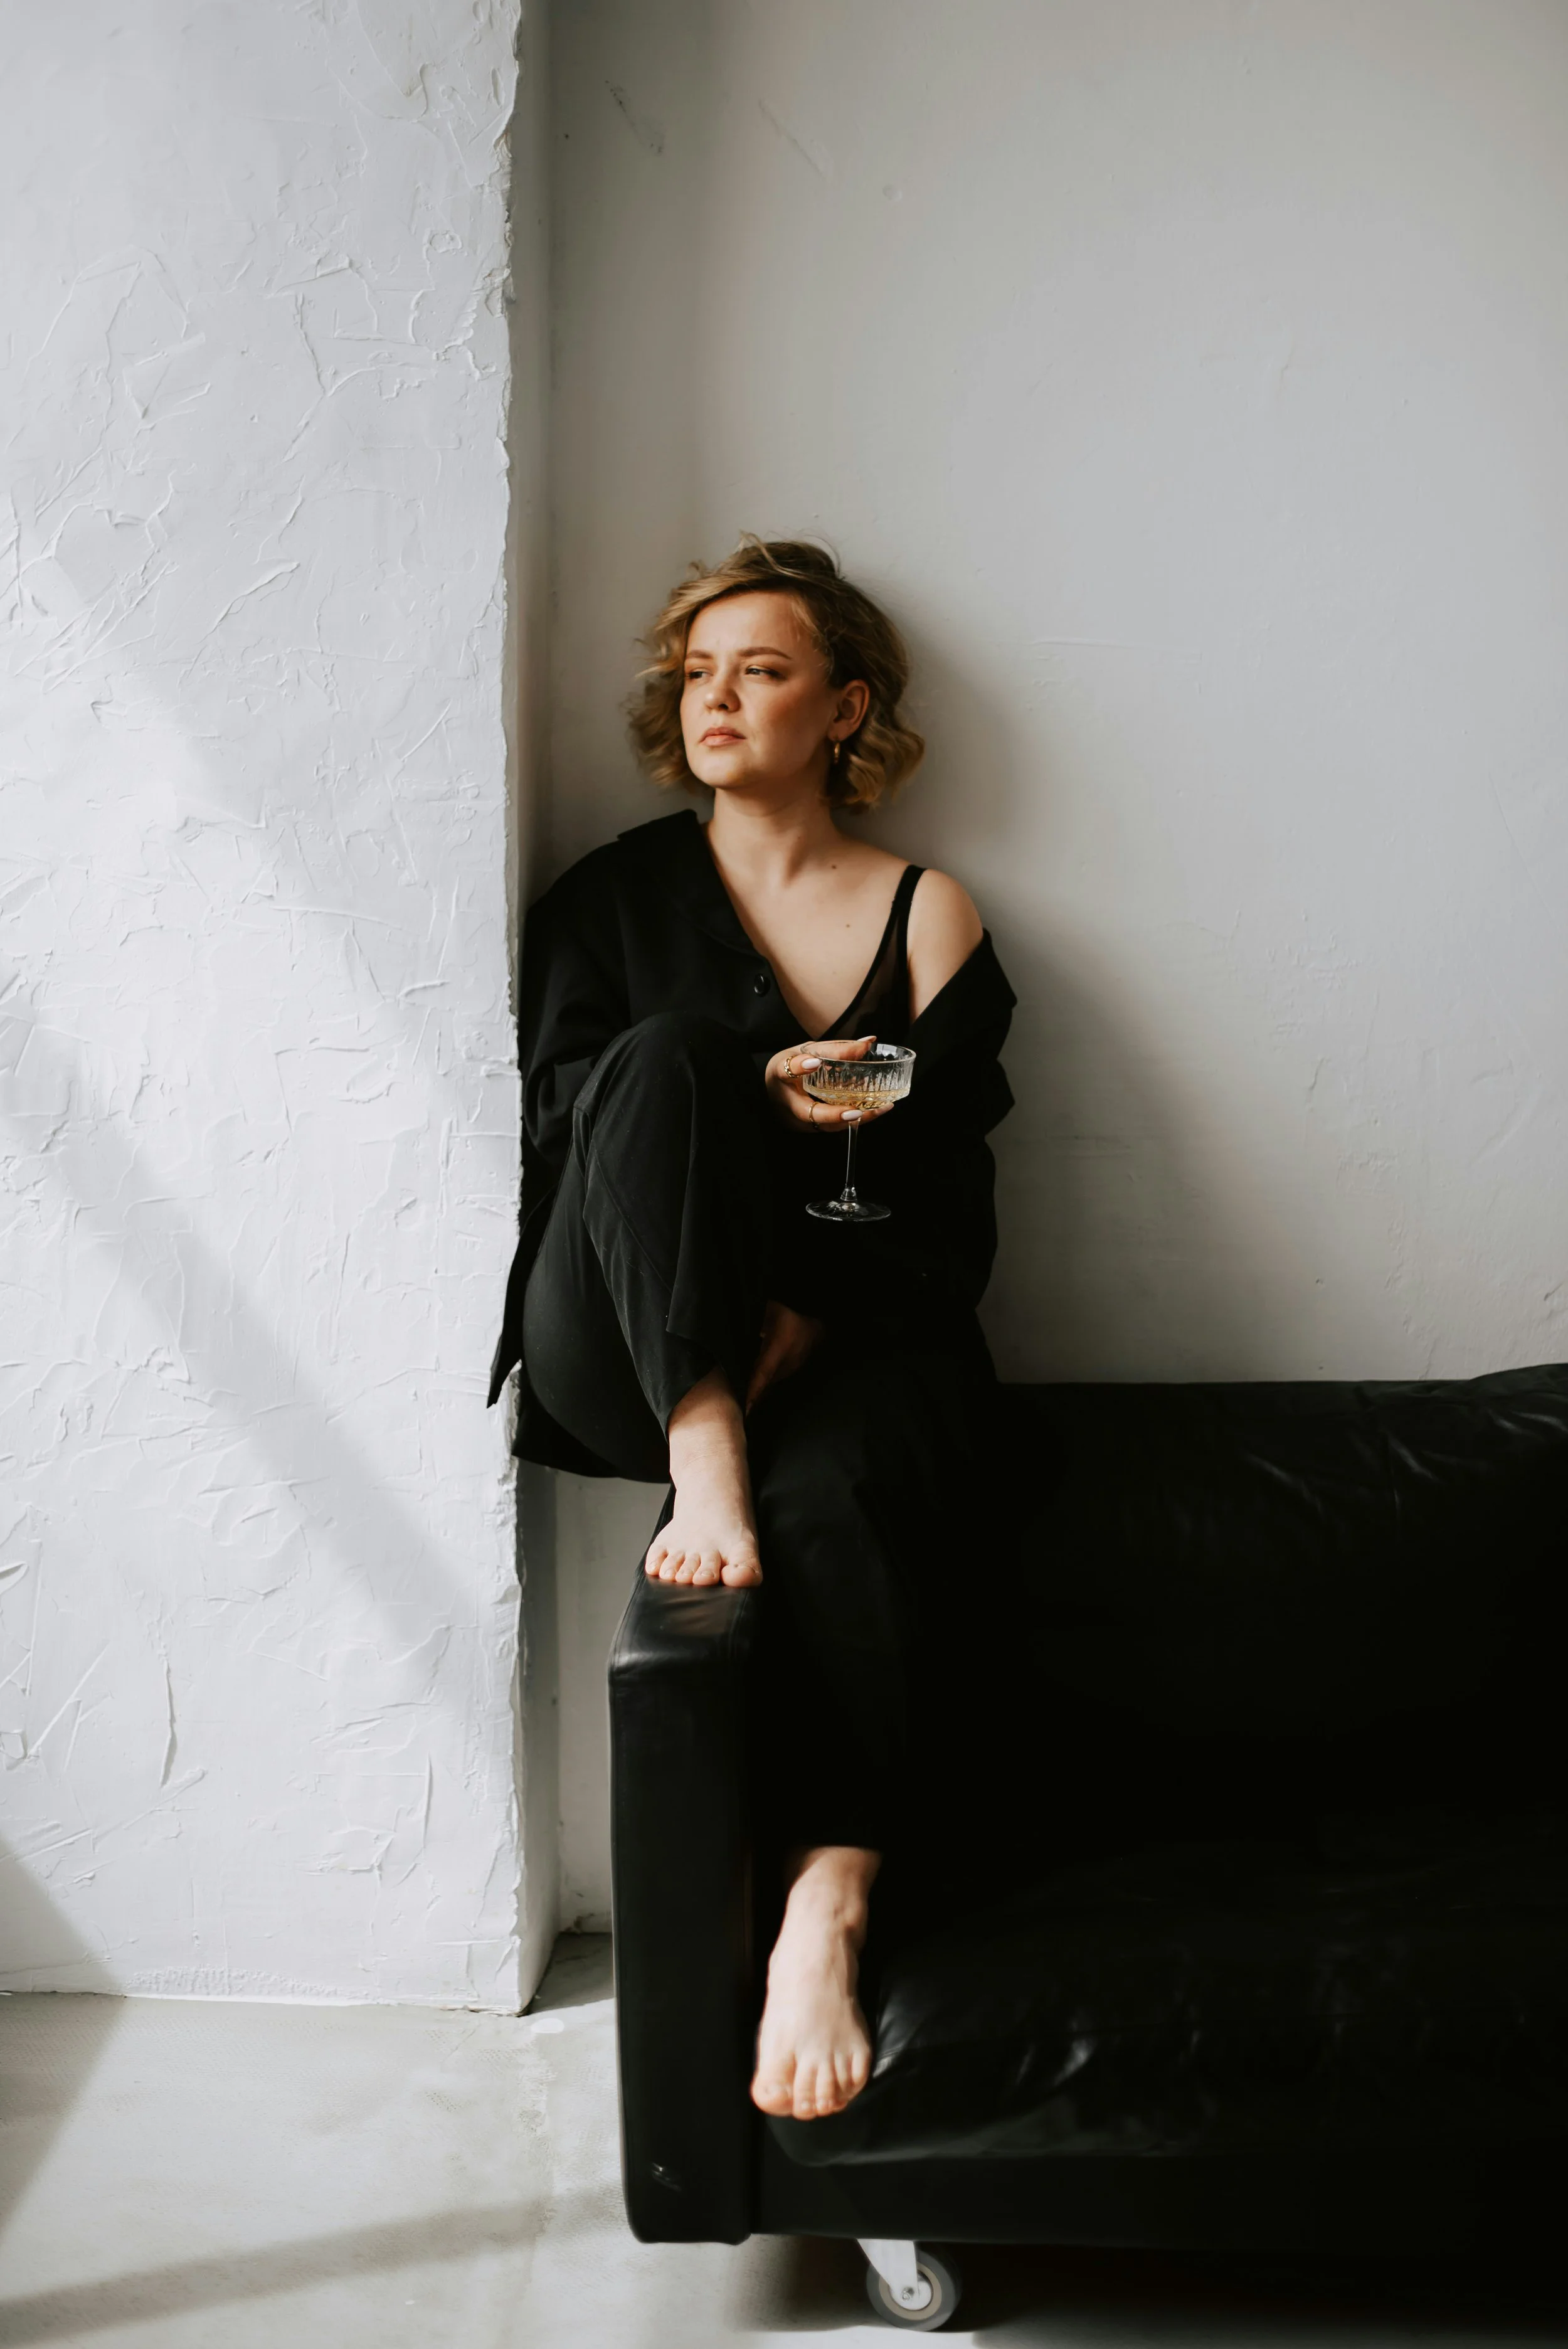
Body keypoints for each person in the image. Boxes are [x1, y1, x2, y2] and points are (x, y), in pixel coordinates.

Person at [487, 536, 1015, 2122]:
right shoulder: (608, 902)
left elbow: (935, 1173)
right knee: (661, 1063)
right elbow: (569, 1140)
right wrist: (755, 1082)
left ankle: (826, 1904)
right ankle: (704, 1435)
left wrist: (806, 1295)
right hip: (627, 1349)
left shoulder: (926, 915)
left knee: (834, 1492)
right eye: (695, 673)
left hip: (858, 1322)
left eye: (760, 670)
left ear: (844, 705)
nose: (714, 698)